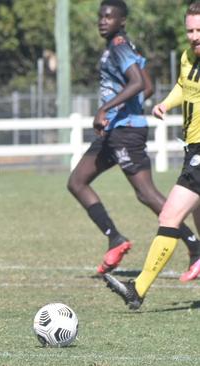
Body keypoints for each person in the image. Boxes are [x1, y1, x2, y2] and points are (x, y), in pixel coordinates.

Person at [66, 0, 200, 279]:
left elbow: (139, 83)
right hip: (114, 130)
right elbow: (148, 85)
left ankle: (193, 246)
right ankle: (115, 238)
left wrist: (107, 108)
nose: (103, 20)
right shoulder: (117, 46)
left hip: (126, 130)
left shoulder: (119, 45)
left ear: (122, 20)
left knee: (147, 194)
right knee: (77, 181)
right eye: (100, 16)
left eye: (109, 16)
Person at [104, 1, 200, 309]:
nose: (195, 36)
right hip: (192, 149)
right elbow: (184, 87)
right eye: (190, 30)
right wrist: (166, 104)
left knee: (171, 216)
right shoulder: (188, 57)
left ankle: (138, 289)